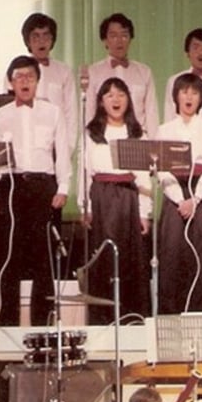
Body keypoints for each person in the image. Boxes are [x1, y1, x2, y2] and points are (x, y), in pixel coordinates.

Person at [0, 55, 71, 327]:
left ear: (37, 81)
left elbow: (63, 153)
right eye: (19, 77)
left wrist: (64, 186)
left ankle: (42, 323)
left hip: (43, 186)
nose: (24, 81)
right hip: (10, 186)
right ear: (10, 82)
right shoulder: (0, 115)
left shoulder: (53, 112)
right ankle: (7, 320)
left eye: (30, 77)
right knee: (9, 254)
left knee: (43, 257)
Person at [80, 77, 151, 325]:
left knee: (130, 260)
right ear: (101, 102)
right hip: (101, 197)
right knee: (104, 259)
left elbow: (143, 175)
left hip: (129, 197)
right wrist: (85, 206)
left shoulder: (137, 132)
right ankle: (103, 321)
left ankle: (131, 320)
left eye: (121, 94)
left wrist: (145, 211)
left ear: (129, 100)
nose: (116, 99)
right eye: (109, 95)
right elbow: (84, 171)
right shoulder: (91, 133)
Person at [155, 73, 202, 314]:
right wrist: (180, 199)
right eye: (184, 92)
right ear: (175, 96)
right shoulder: (164, 129)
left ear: (201, 98)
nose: (189, 97)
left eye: (194, 93)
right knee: (173, 258)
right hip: (175, 197)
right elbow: (162, 170)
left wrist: (195, 199)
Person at [84, 12, 159, 136]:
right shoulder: (93, 72)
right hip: (104, 137)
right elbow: (88, 113)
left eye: (124, 35)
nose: (119, 41)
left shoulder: (144, 72)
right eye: (113, 36)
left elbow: (152, 114)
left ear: (130, 39)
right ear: (104, 40)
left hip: (137, 138)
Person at [21, 12, 78, 153]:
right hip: (26, 143)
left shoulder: (64, 71)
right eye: (36, 36)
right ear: (28, 41)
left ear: (52, 40)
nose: (41, 41)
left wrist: (67, 148)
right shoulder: (17, 70)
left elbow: (71, 113)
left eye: (46, 36)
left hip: (56, 143)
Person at [162, 28, 202, 123]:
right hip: (183, 135)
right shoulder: (174, 80)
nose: (201, 52)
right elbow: (169, 116)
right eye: (195, 47)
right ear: (188, 53)